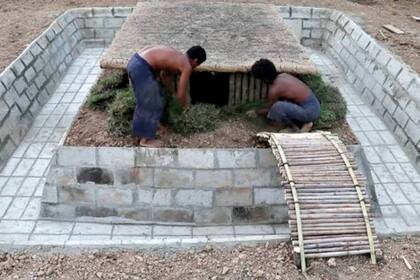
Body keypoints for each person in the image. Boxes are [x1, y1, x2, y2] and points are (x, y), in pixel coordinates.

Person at [127, 45, 207, 146]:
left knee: (148, 100)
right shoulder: (186, 65)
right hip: (142, 67)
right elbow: (181, 94)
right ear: (195, 61)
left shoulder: (176, 56)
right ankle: (146, 140)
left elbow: (165, 75)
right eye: (197, 64)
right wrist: (182, 108)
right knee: (152, 102)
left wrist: (170, 93)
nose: (195, 67)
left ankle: (142, 133)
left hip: (135, 61)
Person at [249, 58, 320, 132]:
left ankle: (294, 128)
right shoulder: (284, 75)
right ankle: (302, 123)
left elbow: (269, 109)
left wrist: (256, 112)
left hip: (310, 112)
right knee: (282, 103)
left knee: (277, 107)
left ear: (264, 79)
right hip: (315, 105)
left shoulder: (275, 90)